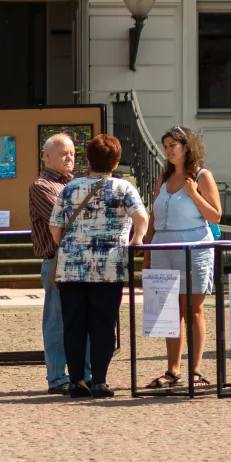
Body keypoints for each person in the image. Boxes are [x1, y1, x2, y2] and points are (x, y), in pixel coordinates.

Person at [50, 134, 149, 398]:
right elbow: (141, 217)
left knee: (73, 325)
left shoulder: (71, 188)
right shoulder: (124, 188)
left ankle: (75, 381)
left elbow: (55, 227)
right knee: (103, 324)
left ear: (87, 160)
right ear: (116, 162)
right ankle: (100, 381)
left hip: (72, 268)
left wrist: (69, 245)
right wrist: (136, 240)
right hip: (108, 267)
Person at [142, 126, 223, 389]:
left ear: (186, 147)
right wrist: (147, 251)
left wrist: (193, 193)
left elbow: (215, 216)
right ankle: (173, 370)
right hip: (163, 249)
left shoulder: (202, 176)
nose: (167, 149)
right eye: (165, 145)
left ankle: (196, 371)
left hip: (193, 248)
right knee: (169, 311)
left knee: (193, 309)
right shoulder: (164, 177)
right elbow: (154, 217)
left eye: (172, 144)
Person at [30, 133, 85, 394]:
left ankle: (83, 374)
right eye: (64, 153)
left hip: (80, 259)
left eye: (73, 153)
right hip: (55, 261)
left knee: (82, 318)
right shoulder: (41, 186)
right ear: (47, 156)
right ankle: (56, 377)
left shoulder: (76, 184)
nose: (70, 158)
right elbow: (64, 218)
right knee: (56, 320)